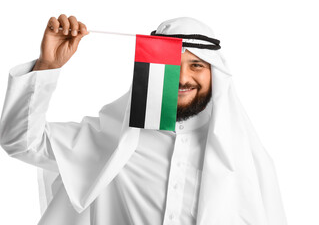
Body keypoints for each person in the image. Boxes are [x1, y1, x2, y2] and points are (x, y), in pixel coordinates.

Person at [0, 14, 287, 225]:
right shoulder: (112, 141)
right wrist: (47, 65)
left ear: (215, 74)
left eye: (197, 65)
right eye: (173, 66)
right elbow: (20, 142)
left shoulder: (248, 161)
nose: (183, 78)